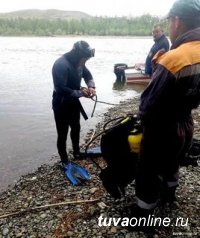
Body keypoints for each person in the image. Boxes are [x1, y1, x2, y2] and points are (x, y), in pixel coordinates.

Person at [128, 0, 200, 229]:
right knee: (173, 162)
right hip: (186, 122)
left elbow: (148, 104)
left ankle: (143, 214)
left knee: (148, 168)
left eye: (169, 21)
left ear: (176, 21)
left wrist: (161, 66)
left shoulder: (174, 59)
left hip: (163, 127)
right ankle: (169, 195)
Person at [52, 40, 96, 166]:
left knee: (76, 127)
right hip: (61, 103)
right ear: (77, 55)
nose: (85, 61)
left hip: (73, 102)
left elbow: (88, 75)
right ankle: (64, 160)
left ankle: (76, 152)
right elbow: (60, 88)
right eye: (84, 58)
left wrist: (91, 86)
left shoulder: (79, 62)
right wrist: (82, 93)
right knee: (62, 132)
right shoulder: (61, 64)